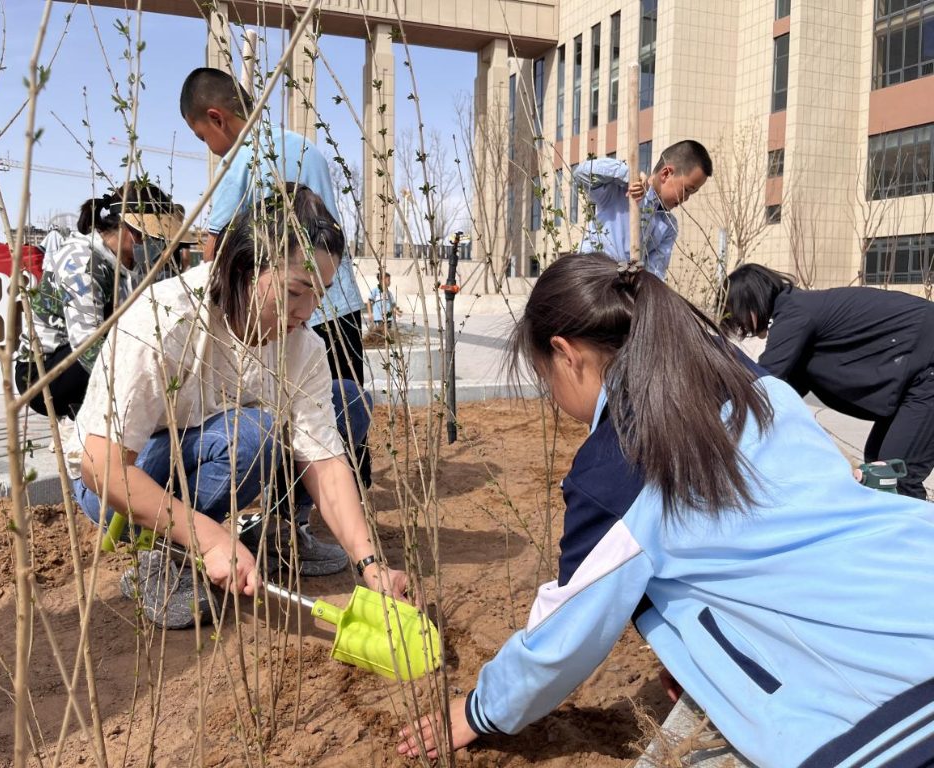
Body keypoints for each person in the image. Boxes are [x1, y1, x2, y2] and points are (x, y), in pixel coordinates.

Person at [397, 254, 934, 765]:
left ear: (566, 353)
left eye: (545, 378)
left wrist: (477, 710)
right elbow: (758, 538)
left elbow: (564, 636)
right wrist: (698, 653)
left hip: (881, 699)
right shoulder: (748, 379)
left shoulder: (617, 467)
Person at [69, 185, 408, 629]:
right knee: (255, 434)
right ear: (246, 267)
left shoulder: (302, 347)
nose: (307, 311)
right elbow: (101, 466)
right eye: (293, 292)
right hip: (117, 490)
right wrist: (208, 539)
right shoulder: (165, 319)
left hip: (213, 450)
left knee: (348, 402)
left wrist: (370, 565)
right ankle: (163, 556)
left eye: (320, 294)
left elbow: (324, 460)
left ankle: (279, 536)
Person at [180, 67, 372, 487]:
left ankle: (292, 515)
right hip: (337, 300)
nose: (210, 148)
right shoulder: (307, 148)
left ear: (216, 118)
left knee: (286, 418)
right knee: (343, 409)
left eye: (202, 137)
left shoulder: (243, 162)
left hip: (287, 307)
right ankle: (347, 498)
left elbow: (216, 251)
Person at [722, 264, 934, 500]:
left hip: (926, 368)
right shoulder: (798, 313)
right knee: (876, 462)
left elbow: (763, 379)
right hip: (914, 373)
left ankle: (921, 533)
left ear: (752, 301)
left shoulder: (795, 312)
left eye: (736, 313)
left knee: (892, 476)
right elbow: (783, 391)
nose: (739, 324)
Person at [15, 184, 184, 418]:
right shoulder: (82, 263)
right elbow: (87, 346)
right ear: (130, 229)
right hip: (46, 372)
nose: (156, 245)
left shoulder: (134, 265)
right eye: (153, 237)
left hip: (98, 356)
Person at [574, 140, 712, 280]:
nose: (686, 198)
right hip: (588, 277)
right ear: (665, 173)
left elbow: (655, 272)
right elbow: (582, 173)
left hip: (621, 291)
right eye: (686, 190)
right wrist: (629, 175)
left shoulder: (669, 226)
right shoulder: (619, 190)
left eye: (690, 194)